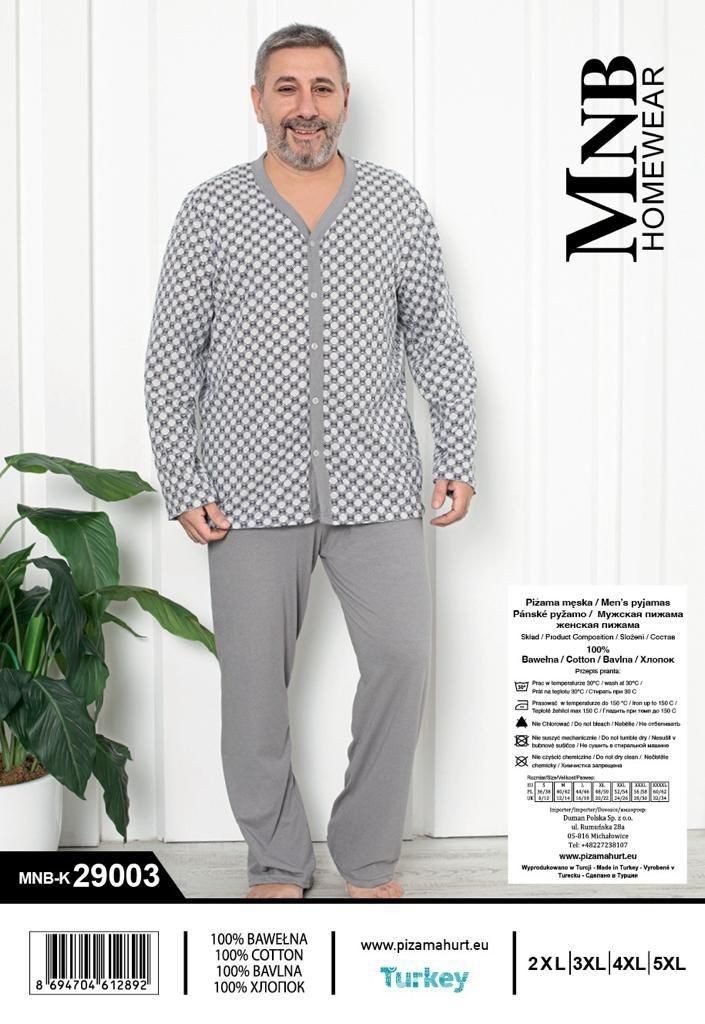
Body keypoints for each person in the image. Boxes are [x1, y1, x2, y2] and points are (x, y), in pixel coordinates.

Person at [144, 23, 478, 900]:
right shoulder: (210, 211)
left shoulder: (394, 205)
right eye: (286, 88)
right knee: (255, 692)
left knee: (402, 658)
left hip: (379, 482)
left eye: (321, 88)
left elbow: (436, 339)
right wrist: (184, 479)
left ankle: (365, 856)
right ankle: (277, 862)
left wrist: (457, 451)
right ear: (257, 100)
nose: (305, 107)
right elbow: (172, 356)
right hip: (246, 493)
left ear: (344, 101)